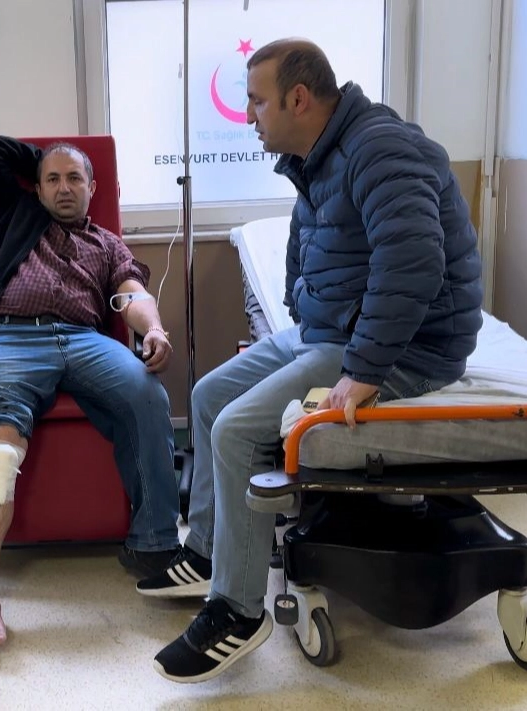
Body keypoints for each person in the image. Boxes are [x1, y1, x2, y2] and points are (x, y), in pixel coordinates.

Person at [145, 38, 483, 683]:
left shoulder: (380, 149)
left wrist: (364, 371)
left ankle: (238, 610)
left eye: (257, 101)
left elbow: (413, 261)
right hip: (328, 330)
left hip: (406, 349)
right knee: (209, 395)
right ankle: (208, 553)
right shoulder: (318, 156)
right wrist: (300, 304)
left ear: (297, 98)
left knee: (237, 429)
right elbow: (307, 244)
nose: (249, 116)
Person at [0, 132, 198, 648]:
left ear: (92, 187)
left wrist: (154, 329)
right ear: (36, 187)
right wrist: (49, 161)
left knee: (148, 395)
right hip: (4, 336)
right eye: (52, 179)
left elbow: (132, 293)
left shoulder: (107, 243)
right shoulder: (11, 215)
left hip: (81, 339)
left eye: (74, 178)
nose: (63, 187)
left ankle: (153, 543)